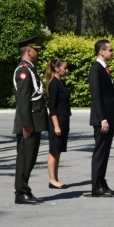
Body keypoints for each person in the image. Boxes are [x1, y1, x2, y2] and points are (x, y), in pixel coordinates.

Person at [13, 36, 49, 205]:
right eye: (36, 49)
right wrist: (27, 124)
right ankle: (21, 192)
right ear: (28, 51)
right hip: (29, 123)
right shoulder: (24, 71)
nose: (38, 51)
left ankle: (24, 190)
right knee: (25, 158)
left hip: (34, 121)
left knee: (30, 157)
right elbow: (23, 99)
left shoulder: (30, 69)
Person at [89, 40, 114, 197]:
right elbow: (97, 97)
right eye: (110, 50)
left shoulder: (104, 69)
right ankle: (96, 186)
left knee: (105, 152)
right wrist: (102, 119)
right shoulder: (96, 70)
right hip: (102, 119)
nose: (112, 52)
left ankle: (101, 182)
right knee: (100, 152)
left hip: (108, 118)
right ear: (101, 51)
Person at [46, 58, 71, 189]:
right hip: (58, 120)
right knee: (54, 150)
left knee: (58, 150)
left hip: (64, 118)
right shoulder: (54, 84)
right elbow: (52, 107)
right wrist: (56, 125)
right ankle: (52, 179)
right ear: (57, 69)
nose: (67, 70)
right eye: (65, 68)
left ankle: (55, 178)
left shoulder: (60, 82)